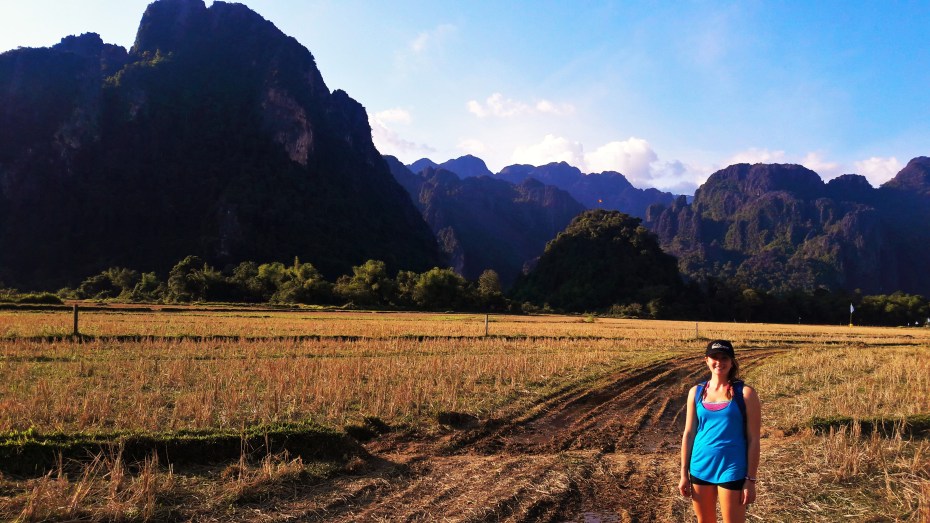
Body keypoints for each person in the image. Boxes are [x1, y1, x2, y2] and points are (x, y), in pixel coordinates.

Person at [678, 340, 761, 523]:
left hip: (732, 468)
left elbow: (754, 439)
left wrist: (751, 480)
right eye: (714, 357)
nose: (719, 362)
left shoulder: (746, 393)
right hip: (700, 467)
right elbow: (689, 433)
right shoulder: (696, 392)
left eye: (724, 358)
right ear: (706, 360)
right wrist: (684, 474)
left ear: (732, 361)